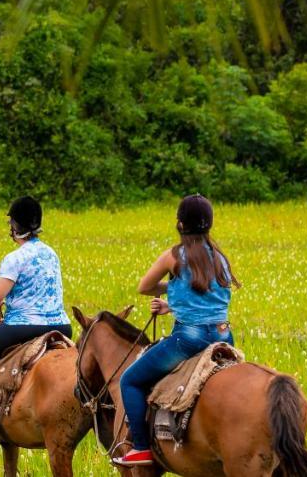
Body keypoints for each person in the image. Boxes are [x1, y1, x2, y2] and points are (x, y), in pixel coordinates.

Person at [112, 194, 239, 468]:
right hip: (224, 335)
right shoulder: (220, 258)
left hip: (190, 338)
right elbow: (205, 294)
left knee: (130, 380)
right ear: (209, 224)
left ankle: (142, 447)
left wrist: (169, 289)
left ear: (180, 224)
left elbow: (144, 287)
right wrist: (174, 302)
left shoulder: (175, 256)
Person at [0, 196, 72, 439]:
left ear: (14, 226)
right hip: (62, 325)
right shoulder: (51, 253)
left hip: (24, 326)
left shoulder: (15, 258)